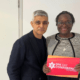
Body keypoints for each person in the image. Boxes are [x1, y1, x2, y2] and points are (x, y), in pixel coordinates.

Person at [7, 10, 49, 80]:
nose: (41, 26)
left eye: (44, 23)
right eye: (37, 22)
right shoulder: (22, 42)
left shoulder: (47, 42)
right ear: (32, 24)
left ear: (48, 24)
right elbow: (12, 69)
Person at [43, 11, 80, 80]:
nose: (64, 25)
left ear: (72, 24)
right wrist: (44, 67)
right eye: (60, 22)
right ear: (56, 24)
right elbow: (44, 59)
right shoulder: (49, 39)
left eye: (68, 22)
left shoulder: (79, 39)